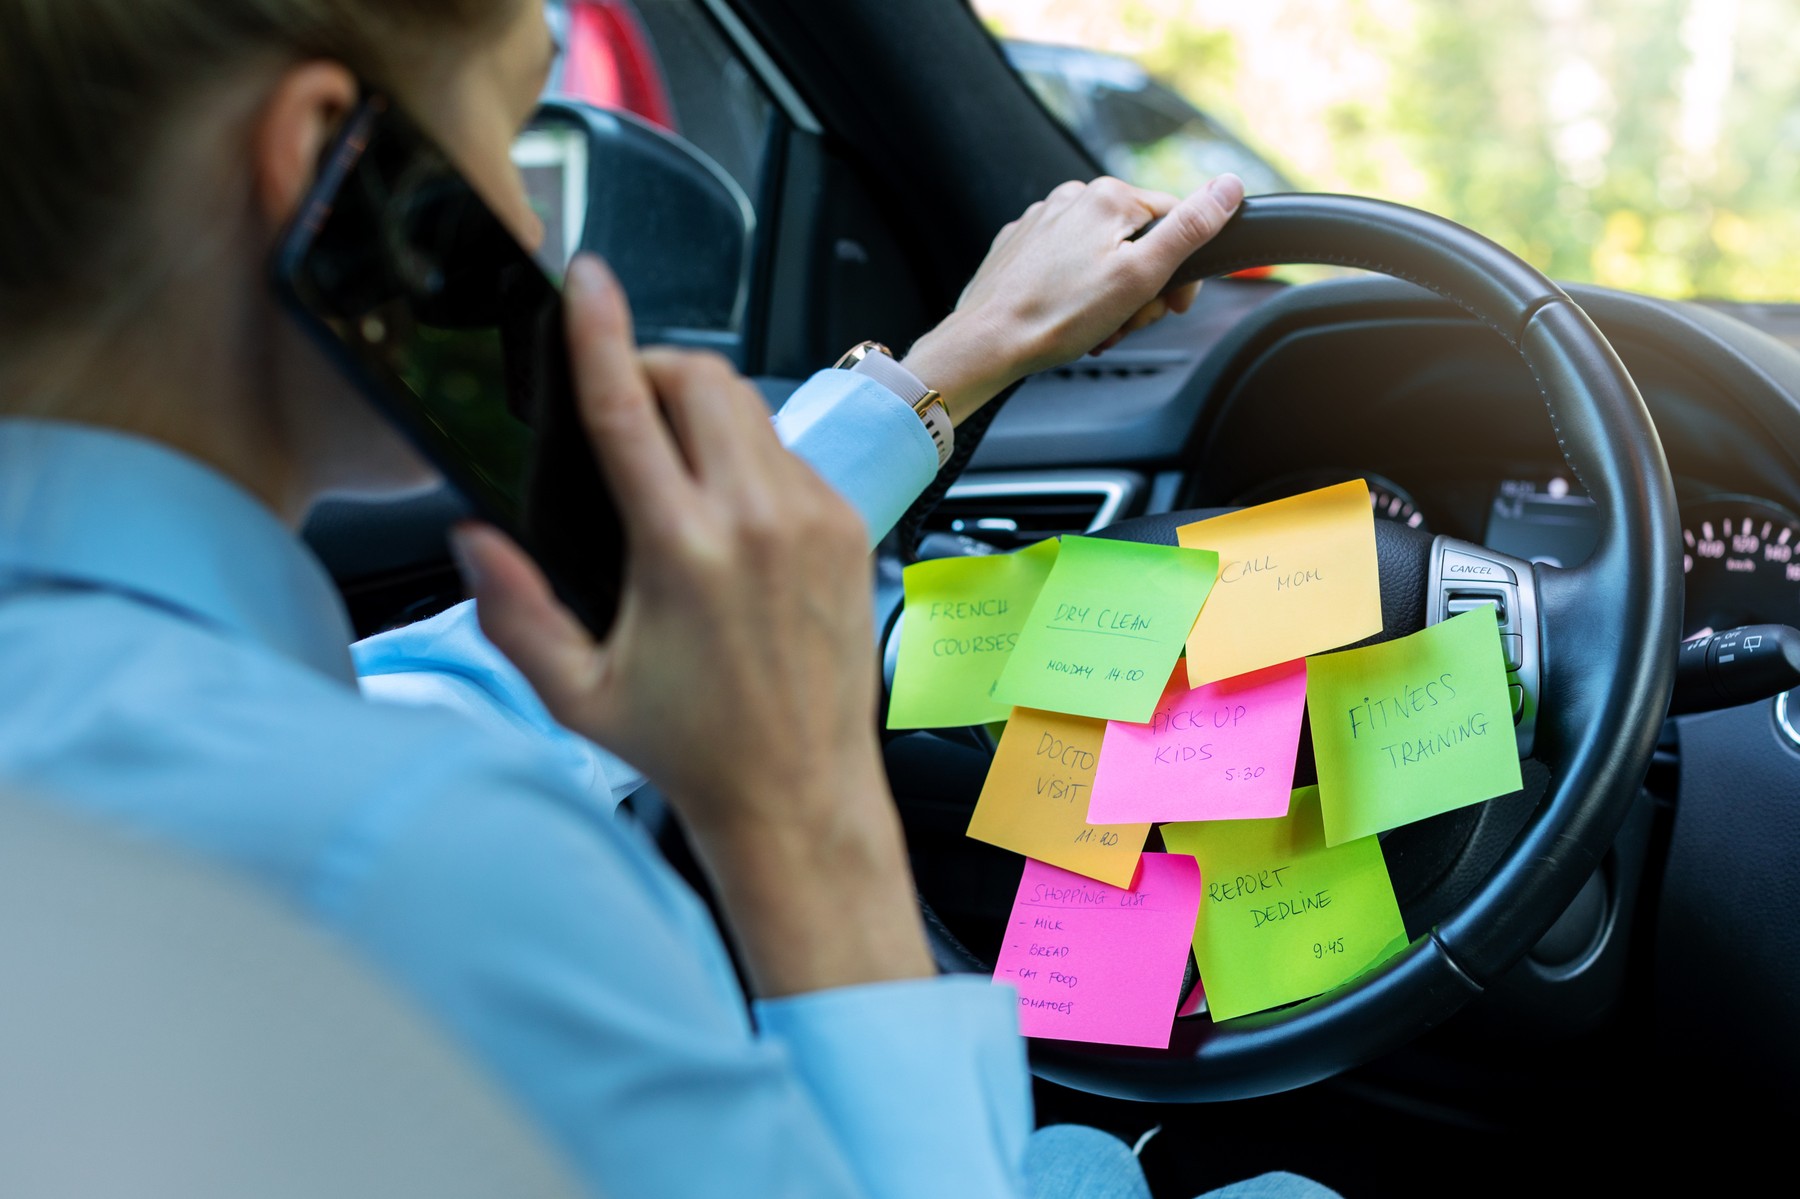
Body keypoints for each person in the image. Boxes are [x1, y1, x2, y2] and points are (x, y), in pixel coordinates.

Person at [0, 1, 1335, 1196]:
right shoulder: (420, 863)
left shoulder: (143, 718)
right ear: (327, 171)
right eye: (515, 133)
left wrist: (940, 376)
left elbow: (448, 698)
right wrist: (803, 800)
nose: (531, 233)